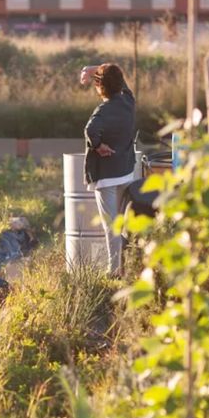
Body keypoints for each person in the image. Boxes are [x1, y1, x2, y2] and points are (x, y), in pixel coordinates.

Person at [81, 63, 137, 275]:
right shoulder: (128, 102)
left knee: (111, 227)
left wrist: (97, 146)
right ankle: (127, 266)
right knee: (121, 225)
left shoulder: (103, 111)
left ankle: (114, 271)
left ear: (99, 86)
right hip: (125, 172)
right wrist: (96, 69)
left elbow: (90, 129)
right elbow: (122, 82)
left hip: (106, 177)